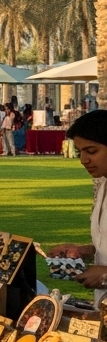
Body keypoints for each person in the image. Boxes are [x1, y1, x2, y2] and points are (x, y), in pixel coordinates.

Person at [51, 111, 107, 303]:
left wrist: (105, 275)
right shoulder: (103, 185)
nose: (83, 160)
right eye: (80, 151)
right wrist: (86, 251)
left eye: (91, 151)